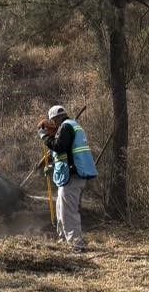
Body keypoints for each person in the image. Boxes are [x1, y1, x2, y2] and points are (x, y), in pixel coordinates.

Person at [39, 105, 98, 252]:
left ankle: (76, 245)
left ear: (56, 118)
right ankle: (63, 240)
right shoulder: (70, 126)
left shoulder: (66, 127)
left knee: (69, 212)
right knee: (61, 209)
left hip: (73, 176)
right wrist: (52, 166)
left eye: (52, 121)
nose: (52, 124)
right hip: (71, 175)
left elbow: (58, 147)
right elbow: (65, 154)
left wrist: (44, 136)